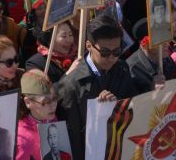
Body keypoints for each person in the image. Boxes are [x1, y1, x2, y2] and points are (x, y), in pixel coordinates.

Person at [57, 15, 137, 160]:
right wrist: (96, 114)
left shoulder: (123, 68)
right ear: (89, 46)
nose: (112, 58)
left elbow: (132, 107)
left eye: (117, 52)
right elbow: (73, 137)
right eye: (105, 53)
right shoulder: (71, 85)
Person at [16, 70, 62, 160]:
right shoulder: (22, 139)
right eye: (46, 102)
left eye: (54, 98)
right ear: (28, 102)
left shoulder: (51, 118)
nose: (53, 105)